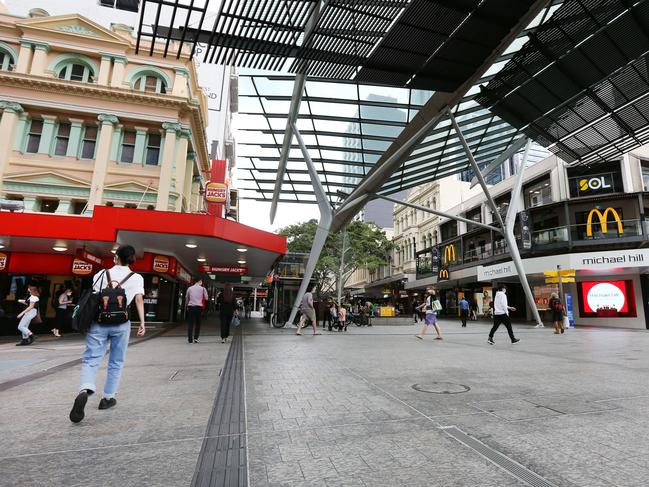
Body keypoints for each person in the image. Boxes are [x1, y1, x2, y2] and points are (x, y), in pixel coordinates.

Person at [69, 245, 145, 423]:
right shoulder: (137, 277)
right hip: (121, 323)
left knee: (91, 359)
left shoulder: (102, 274)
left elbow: (94, 297)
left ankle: (84, 389)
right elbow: (139, 300)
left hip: (99, 322)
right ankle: (108, 398)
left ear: (116, 257)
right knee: (116, 361)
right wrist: (141, 323)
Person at [186, 278, 208, 344]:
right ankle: (196, 338)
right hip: (199, 307)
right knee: (198, 323)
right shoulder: (203, 289)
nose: (201, 282)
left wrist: (187, 305)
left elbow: (187, 298)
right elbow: (206, 298)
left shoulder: (189, 288)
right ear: (199, 281)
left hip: (191, 307)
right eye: (201, 281)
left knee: (190, 323)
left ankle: (190, 339)